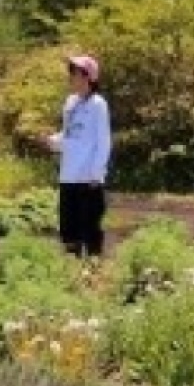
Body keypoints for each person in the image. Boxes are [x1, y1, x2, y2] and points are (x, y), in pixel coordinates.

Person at [45, 54, 111, 257]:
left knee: (90, 230)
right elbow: (70, 134)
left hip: (88, 178)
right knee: (69, 231)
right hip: (68, 175)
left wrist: (96, 173)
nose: (71, 77)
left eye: (76, 73)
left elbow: (103, 141)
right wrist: (53, 141)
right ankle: (73, 274)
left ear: (88, 77)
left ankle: (93, 275)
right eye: (71, 72)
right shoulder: (70, 103)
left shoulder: (98, 104)